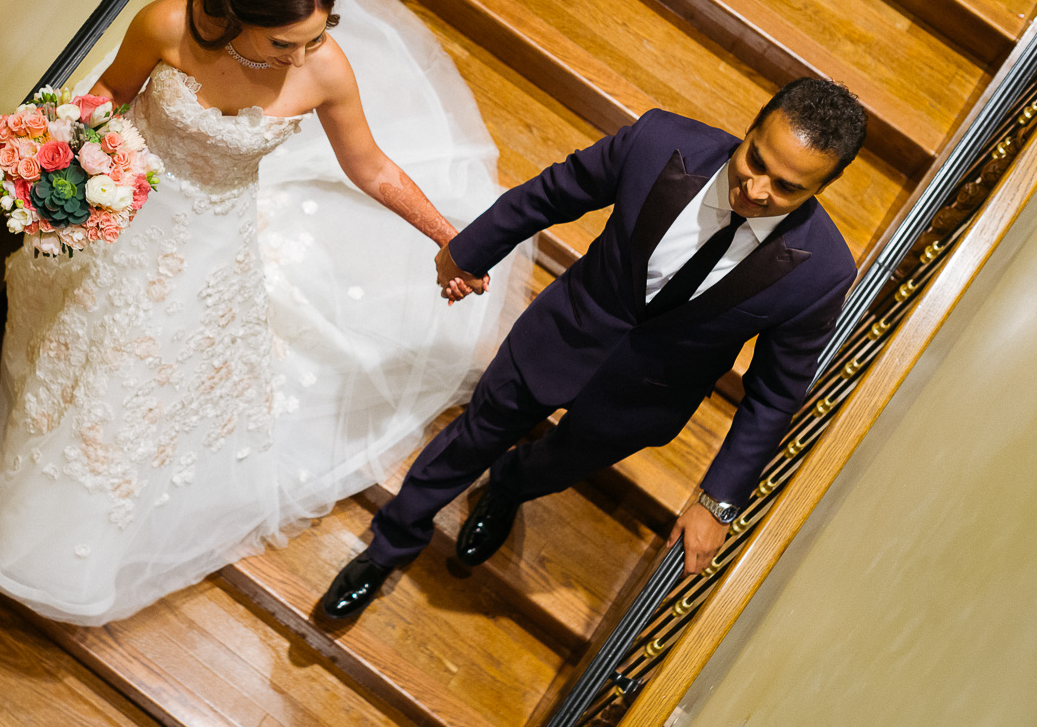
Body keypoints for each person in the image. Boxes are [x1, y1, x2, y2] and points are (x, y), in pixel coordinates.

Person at [0, 0, 530, 625]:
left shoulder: (325, 70)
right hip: (129, 205)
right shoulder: (169, 26)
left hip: (210, 237)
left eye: (318, 35)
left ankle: (88, 521)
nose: (302, 57)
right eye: (283, 44)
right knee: (81, 346)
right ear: (239, 14)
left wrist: (452, 237)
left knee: (140, 376)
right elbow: (111, 93)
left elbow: (373, 166)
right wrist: (68, 169)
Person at [322, 79, 865, 620]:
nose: (757, 189)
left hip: (644, 400)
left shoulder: (822, 272)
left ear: (823, 188)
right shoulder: (658, 142)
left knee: (556, 467)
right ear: (749, 130)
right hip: (562, 334)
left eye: (787, 188)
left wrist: (717, 500)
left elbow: (774, 395)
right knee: (470, 439)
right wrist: (469, 251)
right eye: (756, 160)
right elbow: (553, 193)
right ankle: (388, 545)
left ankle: (508, 487)